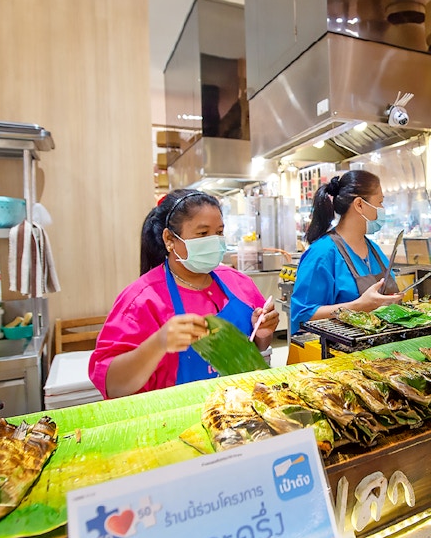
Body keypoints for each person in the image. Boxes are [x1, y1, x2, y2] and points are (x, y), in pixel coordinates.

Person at [89, 189, 280, 398]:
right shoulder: (141, 300)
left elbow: (256, 347)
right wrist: (158, 344)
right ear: (170, 239)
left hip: (239, 408)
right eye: (203, 234)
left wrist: (263, 334)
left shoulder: (239, 283)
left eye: (219, 232)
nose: (214, 241)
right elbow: (113, 386)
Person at [290, 170, 403, 335]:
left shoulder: (374, 249)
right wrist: (358, 306)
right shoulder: (322, 254)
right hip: (338, 353)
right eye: (380, 202)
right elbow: (301, 316)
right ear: (359, 205)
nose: (382, 209)